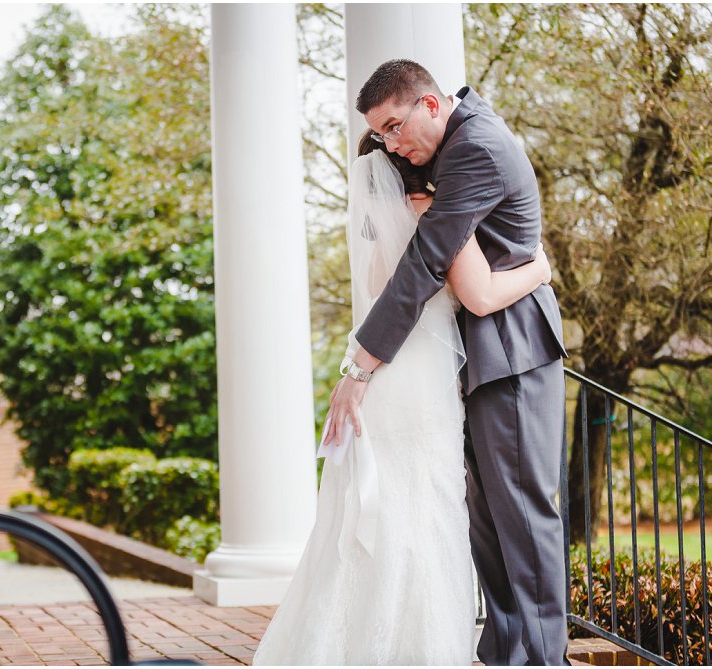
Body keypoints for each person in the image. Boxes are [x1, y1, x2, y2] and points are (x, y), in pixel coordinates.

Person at [252, 132, 552, 665]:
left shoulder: (376, 229)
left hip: (383, 375)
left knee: (383, 506)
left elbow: (379, 290)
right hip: (424, 381)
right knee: (427, 508)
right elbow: (478, 296)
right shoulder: (438, 214)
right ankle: (419, 646)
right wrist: (538, 269)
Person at [325, 60, 569, 665]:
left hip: (513, 352)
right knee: (487, 517)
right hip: (475, 355)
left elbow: (428, 261)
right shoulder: (444, 149)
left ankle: (544, 658)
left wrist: (360, 368)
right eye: (380, 136)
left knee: (523, 513)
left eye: (393, 125)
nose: (391, 143)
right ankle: (508, 652)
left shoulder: (477, 147)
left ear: (431, 105)